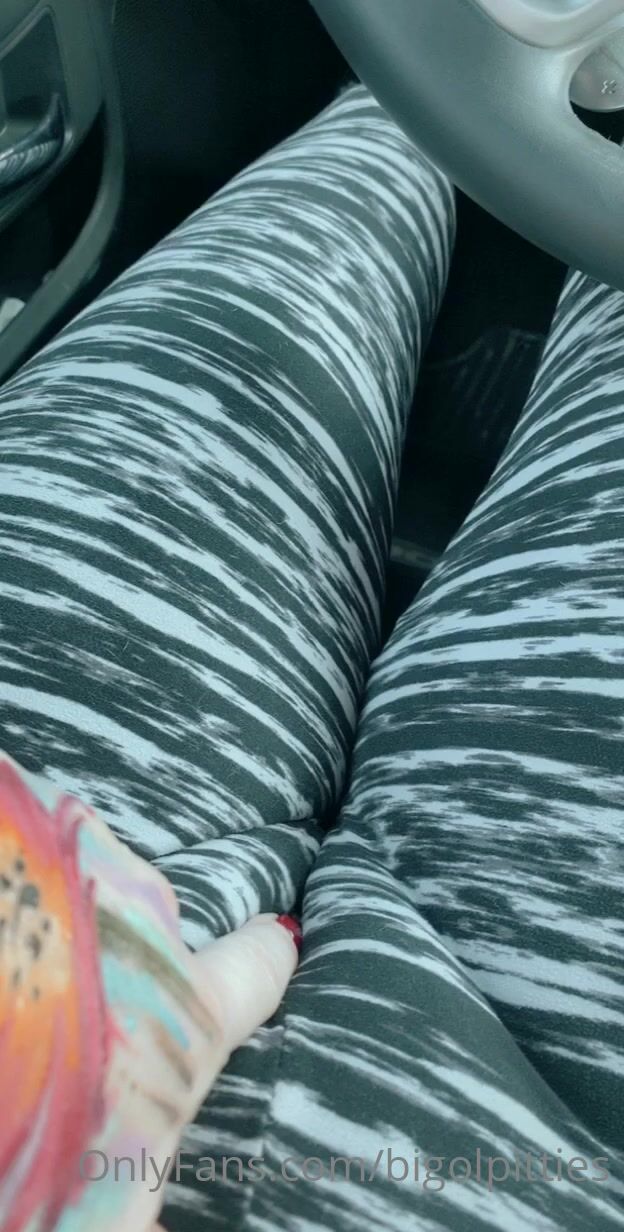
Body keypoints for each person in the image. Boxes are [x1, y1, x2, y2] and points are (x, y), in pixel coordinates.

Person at [0, 83, 622, 1232]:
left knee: (410, 117)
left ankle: (427, 89)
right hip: (532, 1147)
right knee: (476, 125)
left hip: (44, 912)